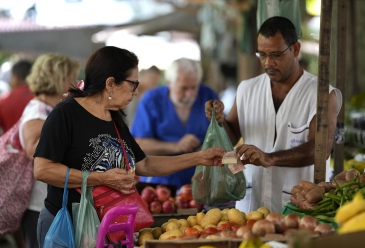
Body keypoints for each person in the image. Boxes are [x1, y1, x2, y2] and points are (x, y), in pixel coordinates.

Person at [33, 46, 225, 247]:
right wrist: (99, 178)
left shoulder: (113, 117)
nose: (136, 91)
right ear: (110, 84)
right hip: (66, 227)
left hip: (105, 229)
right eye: (133, 84)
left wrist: (199, 157)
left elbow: (145, 164)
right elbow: (42, 169)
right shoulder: (66, 114)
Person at [205, 16, 342, 213]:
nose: (268, 62)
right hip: (250, 207)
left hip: (298, 206)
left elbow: (320, 150)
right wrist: (218, 121)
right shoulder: (247, 89)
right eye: (262, 54)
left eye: (276, 55)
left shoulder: (322, 95)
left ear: (295, 49)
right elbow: (232, 134)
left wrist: (271, 158)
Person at [130, 58, 219, 190]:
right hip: (160, 183)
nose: (190, 94)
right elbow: (137, 144)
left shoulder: (208, 95)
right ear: (169, 83)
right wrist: (176, 146)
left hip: (202, 180)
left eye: (194, 87)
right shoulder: (151, 100)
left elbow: (222, 132)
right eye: (183, 88)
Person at [20, 54, 80, 248]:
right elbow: (33, 150)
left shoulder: (50, 108)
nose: (75, 83)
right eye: (72, 77)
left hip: (52, 203)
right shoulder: (38, 110)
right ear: (59, 78)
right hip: (40, 206)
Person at [0, 59, 34, 135]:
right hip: (36, 145)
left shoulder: (5, 100)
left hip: (9, 145)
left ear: (15, 78)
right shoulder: (42, 98)